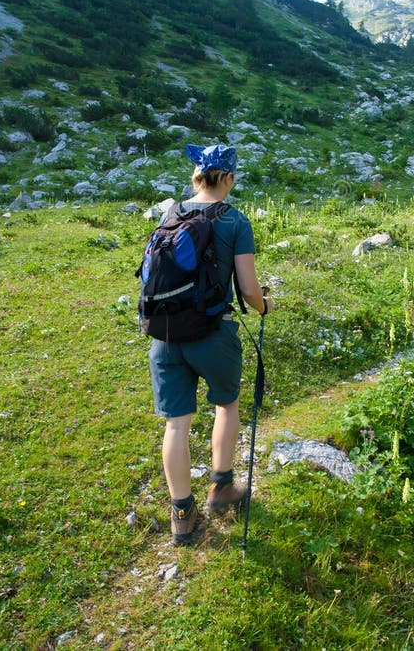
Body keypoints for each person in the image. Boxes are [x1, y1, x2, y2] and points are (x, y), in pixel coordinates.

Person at [148, 143, 274, 545]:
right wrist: (264, 305)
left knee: (176, 424)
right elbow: (249, 288)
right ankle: (221, 488)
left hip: (165, 334)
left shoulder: (172, 213)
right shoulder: (234, 220)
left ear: (197, 176)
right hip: (211, 333)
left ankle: (181, 516)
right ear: (230, 178)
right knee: (226, 404)